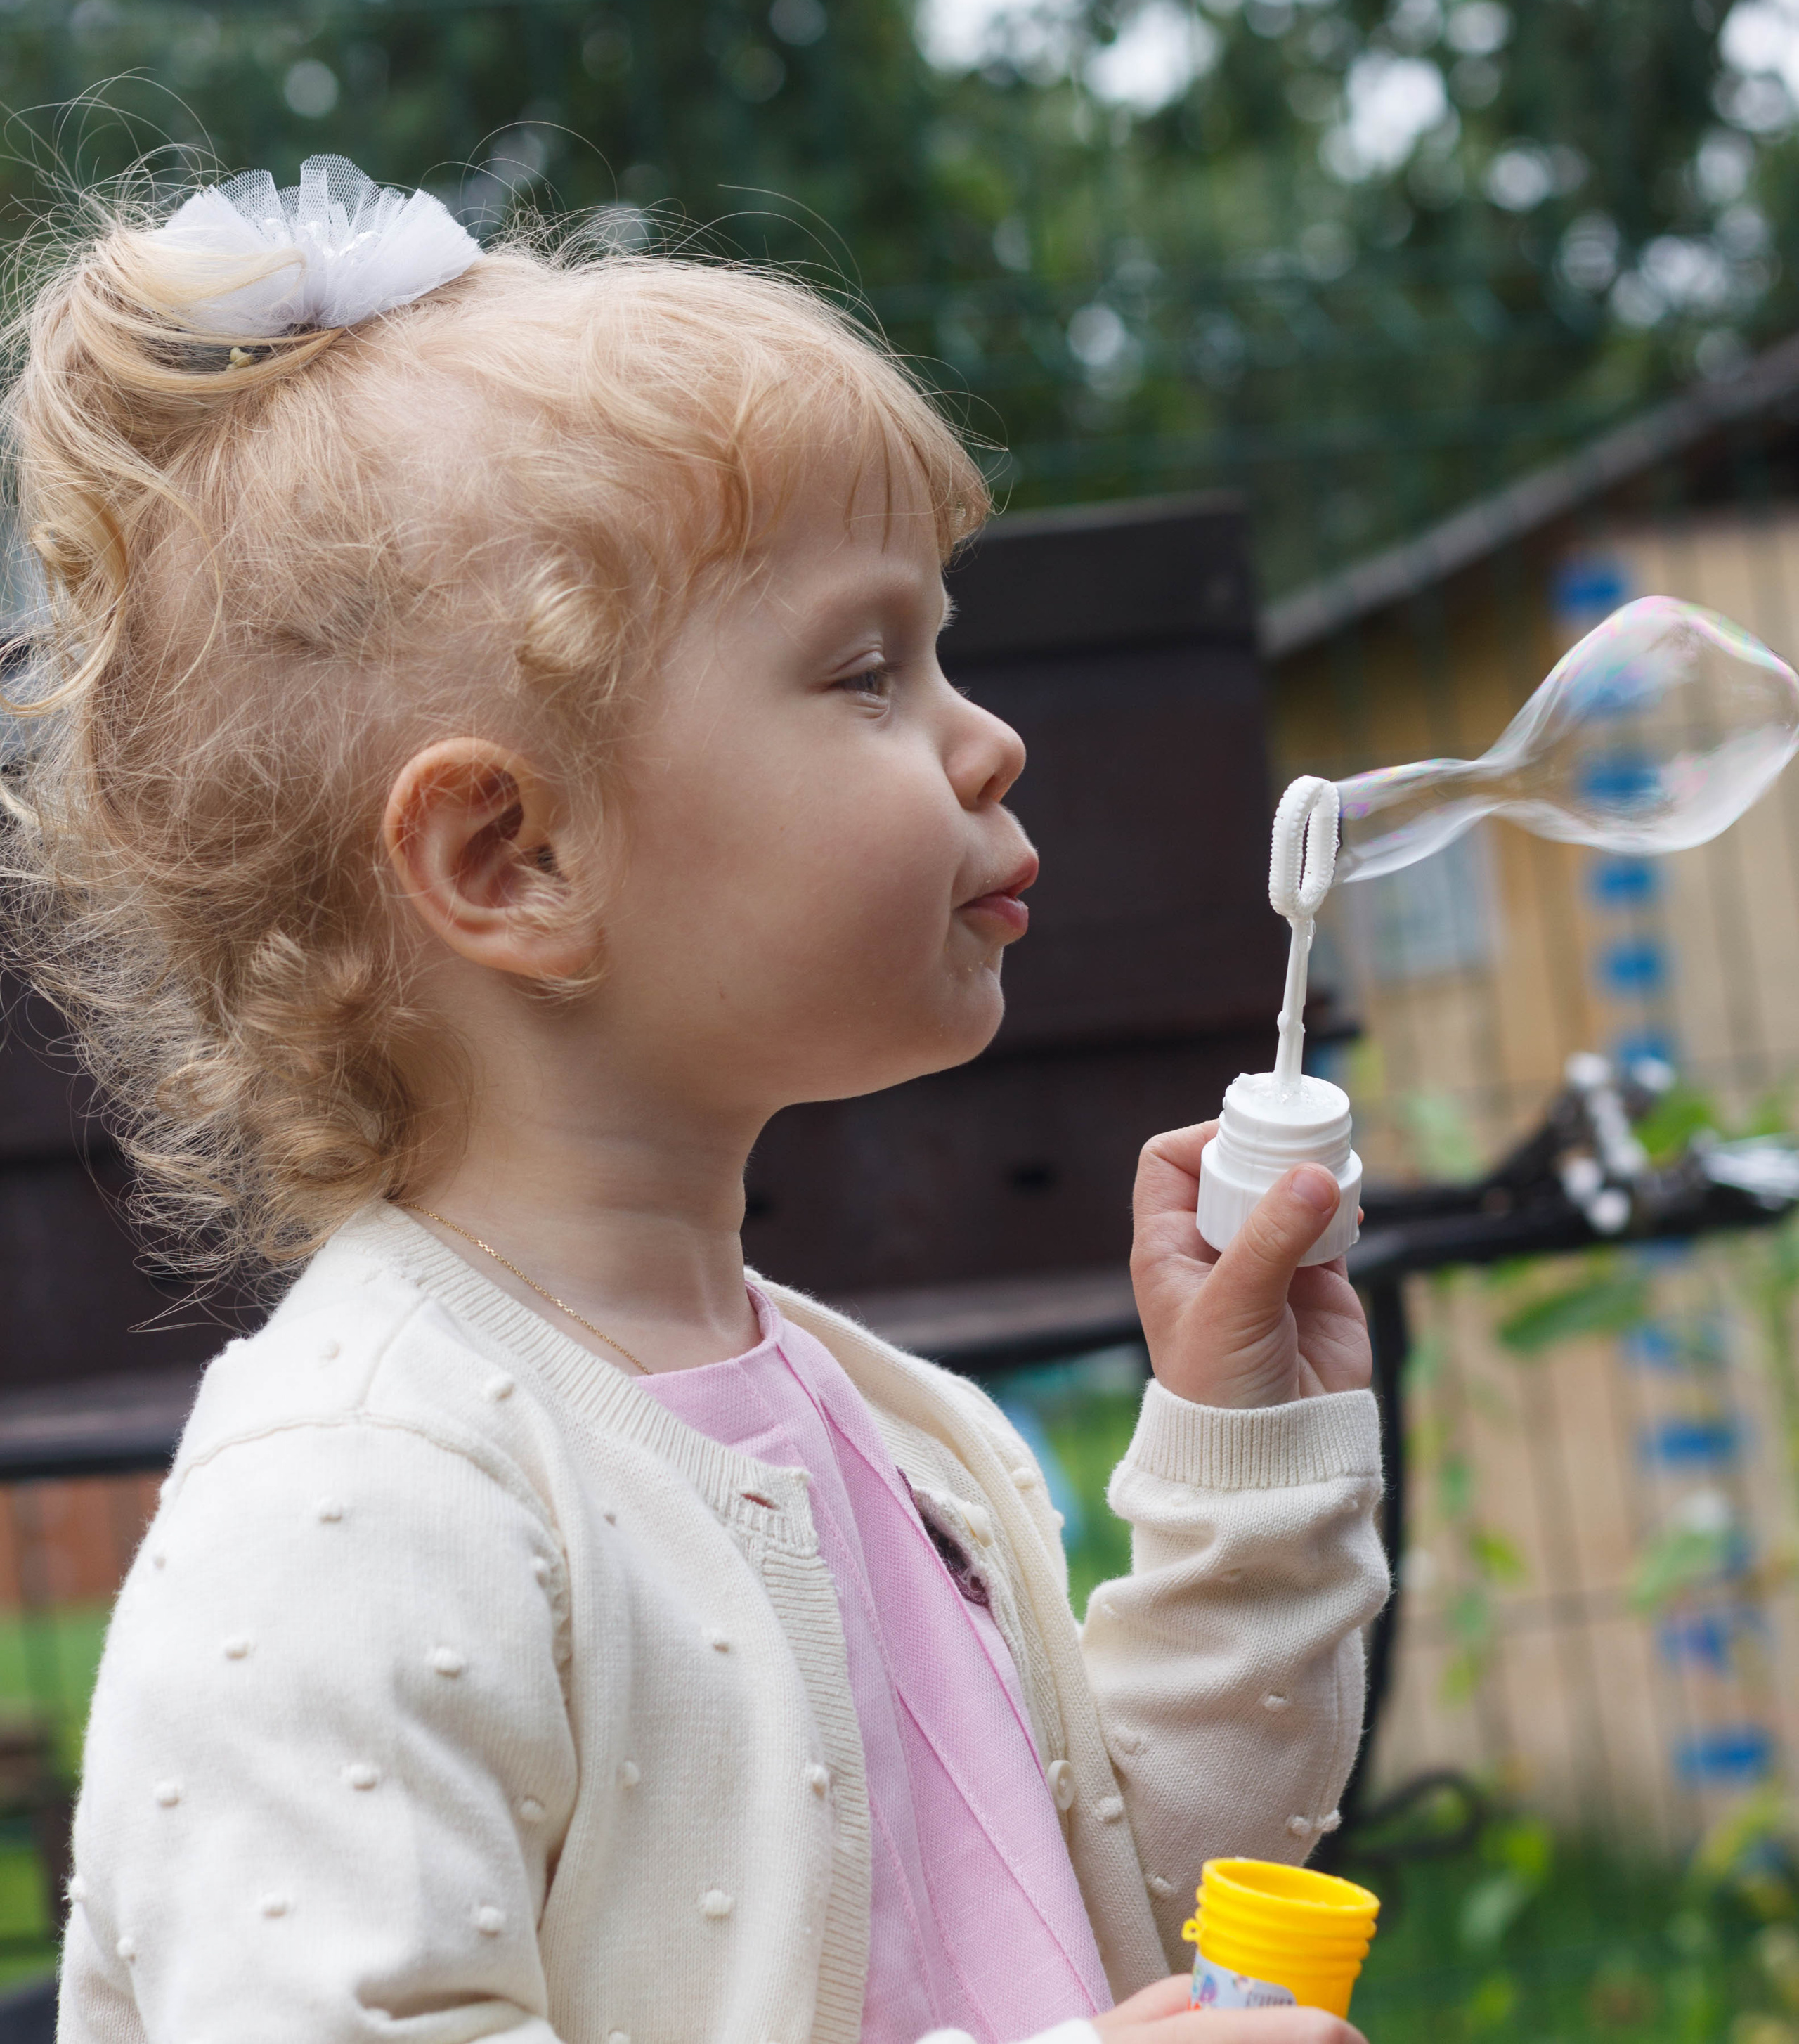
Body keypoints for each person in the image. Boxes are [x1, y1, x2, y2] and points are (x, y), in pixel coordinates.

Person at [4, 157, 1388, 2044]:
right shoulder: (364, 1494)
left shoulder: (900, 1429)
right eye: (865, 667)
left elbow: (1115, 1923)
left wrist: (1241, 1470)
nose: (989, 737)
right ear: (512, 855)